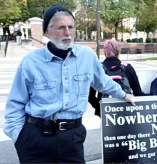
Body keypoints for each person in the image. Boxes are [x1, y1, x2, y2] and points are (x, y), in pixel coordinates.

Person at [4, 5, 134, 163]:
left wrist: (124, 95)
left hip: (72, 138)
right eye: (61, 27)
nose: (67, 33)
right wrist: (19, 138)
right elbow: (15, 104)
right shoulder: (30, 62)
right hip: (35, 138)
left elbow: (103, 82)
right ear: (46, 32)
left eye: (70, 27)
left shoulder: (86, 56)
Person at [89, 39, 145, 117]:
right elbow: (137, 92)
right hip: (126, 108)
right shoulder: (127, 68)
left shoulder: (98, 68)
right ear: (118, 51)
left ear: (105, 52)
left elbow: (90, 96)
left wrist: (99, 107)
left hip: (106, 110)